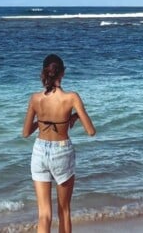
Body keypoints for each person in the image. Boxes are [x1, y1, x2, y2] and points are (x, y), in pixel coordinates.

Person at [22, 54, 96, 233]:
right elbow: (91, 131)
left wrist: (42, 122)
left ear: (44, 73)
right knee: (64, 211)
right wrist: (75, 116)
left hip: (39, 151)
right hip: (61, 152)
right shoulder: (71, 98)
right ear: (62, 73)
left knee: (44, 215)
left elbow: (25, 133)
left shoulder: (35, 99)